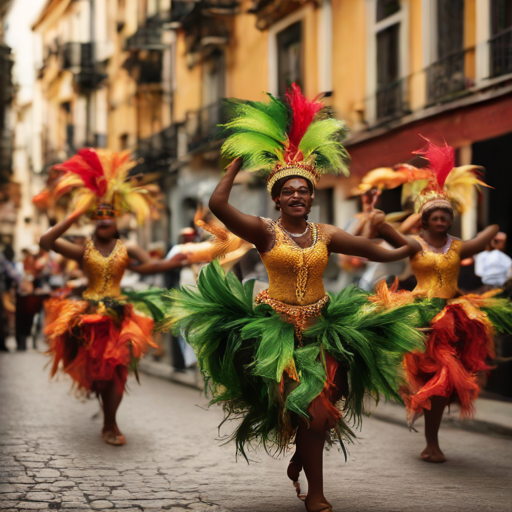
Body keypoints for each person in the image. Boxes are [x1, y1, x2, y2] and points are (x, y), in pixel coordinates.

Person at [159, 85, 422, 512]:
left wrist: (403, 240)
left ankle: (304, 455)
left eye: (304, 191)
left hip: (324, 329)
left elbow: (384, 253)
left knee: (323, 408)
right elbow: (218, 205)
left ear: (312, 197)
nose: (297, 196)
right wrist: (234, 166)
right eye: (289, 191)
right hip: (274, 331)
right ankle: (315, 492)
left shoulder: (328, 235)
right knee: (305, 413)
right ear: (277, 198)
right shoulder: (265, 231)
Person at [368, 138, 512, 463]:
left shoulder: (459, 246)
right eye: (435, 215)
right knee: (426, 378)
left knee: (445, 383)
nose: (441, 220)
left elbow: (487, 233)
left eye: (446, 215)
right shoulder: (415, 244)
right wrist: (377, 221)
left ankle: (431, 436)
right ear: (425, 219)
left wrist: (495, 229)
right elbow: (388, 233)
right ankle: (426, 426)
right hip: (418, 316)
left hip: (452, 317)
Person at [39, 148, 187, 446]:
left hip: (119, 318)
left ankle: (111, 423)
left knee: (117, 372)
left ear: (116, 220)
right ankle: (104, 404)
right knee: (99, 375)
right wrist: (74, 215)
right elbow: (47, 241)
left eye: (109, 215)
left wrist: (177, 261)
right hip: (88, 316)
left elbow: (148, 266)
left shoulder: (128, 247)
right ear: (94, 220)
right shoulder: (84, 248)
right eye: (99, 215)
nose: (104, 219)